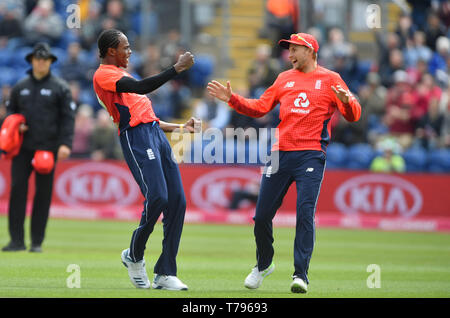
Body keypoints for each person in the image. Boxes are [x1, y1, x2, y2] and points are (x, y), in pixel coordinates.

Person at [207, 32, 361, 293]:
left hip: (311, 154)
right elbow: (259, 108)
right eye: (288, 50)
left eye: (294, 50)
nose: (289, 55)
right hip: (279, 154)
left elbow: (354, 115)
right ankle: (263, 264)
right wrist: (232, 99)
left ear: (310, 50)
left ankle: (300, 274)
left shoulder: (331, 79)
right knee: (261, 216)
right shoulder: (283, 78)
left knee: (304, 212)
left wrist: (347, 102)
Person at [93, 29, 200, 291]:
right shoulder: (104, 74)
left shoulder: (124, 73)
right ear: (111, 51)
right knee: (158, 197)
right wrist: (176, 68)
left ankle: (165, 273)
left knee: (177, 201)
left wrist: (179, 128)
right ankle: (134, 254)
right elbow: (142, 88)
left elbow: (149, 118)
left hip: (154, 136)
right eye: (126, 47)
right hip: (136, 138)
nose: (130, 52)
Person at [2, 42, 75, 253]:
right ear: (32, 61)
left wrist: (65, 144)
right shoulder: (20, 87)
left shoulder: (60, 88)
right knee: (17, 191)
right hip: (23, 148)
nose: (41, 62)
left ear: (50, 62)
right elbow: (10, 115)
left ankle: (36, 242)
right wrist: (15, 125)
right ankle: (16, 241)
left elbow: (67, 119)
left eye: (45, 59)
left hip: (48, 148)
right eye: (38, 59)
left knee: (43, 194)